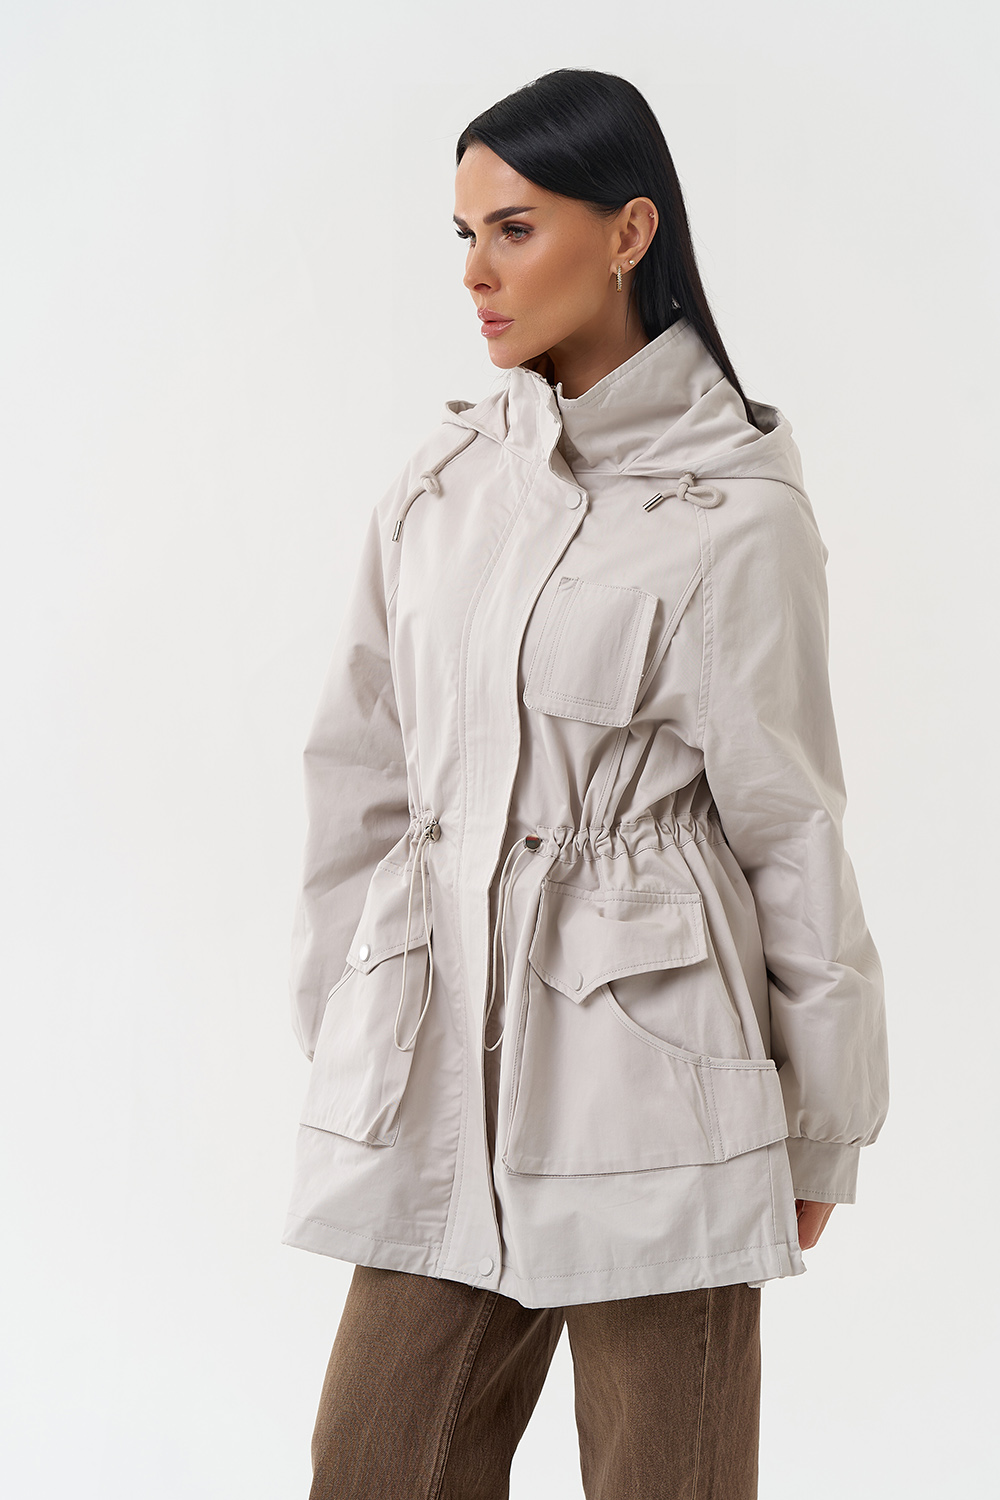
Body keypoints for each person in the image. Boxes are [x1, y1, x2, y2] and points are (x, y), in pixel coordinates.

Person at [281, 67, 890, 1500]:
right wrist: (348, 1023)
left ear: (628, 232)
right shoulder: (442, 485)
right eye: (465, 234)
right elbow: (361, 770)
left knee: (665, 1476)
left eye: (515, 228)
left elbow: (790, 826)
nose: (477, 274)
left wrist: (824, 1122)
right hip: (442, 1068)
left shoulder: (736, 513)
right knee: (371, 1462)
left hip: (659, 1081)